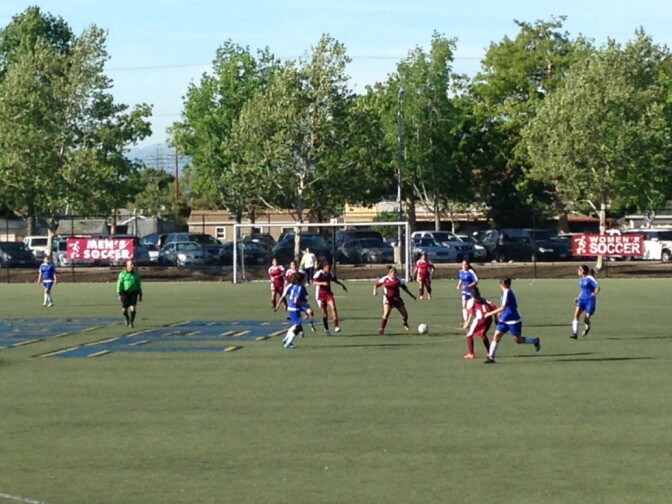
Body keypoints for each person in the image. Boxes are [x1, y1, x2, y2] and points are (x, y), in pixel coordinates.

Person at [483, 277, 540, 364]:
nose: (500, 286)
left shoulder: (507, 292)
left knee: (518, 340)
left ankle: (534, 340)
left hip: (513, 320)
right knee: (496, 336)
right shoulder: (504, 293)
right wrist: (500, 314)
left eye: (501, 284)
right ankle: (491, 357)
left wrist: (489, 314)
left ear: (504, 284)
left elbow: (502, 307)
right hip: (504, 320)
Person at [275, 272, 315, 348]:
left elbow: (285, 296)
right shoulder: (299, 287)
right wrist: (304, 305)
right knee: (298, 327)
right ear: (301, 280)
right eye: (304, 279)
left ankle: (285, 339)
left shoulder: (290, 285)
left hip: (291, 307)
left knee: (295, 325)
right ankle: (288, 343)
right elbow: (296, 300)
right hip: (295, 308)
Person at [373, 266, 416, 335]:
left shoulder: (398, 280)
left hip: (397, 299)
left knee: (405, 315)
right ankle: (381, 329)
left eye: (395, 274)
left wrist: (412, 295)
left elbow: (404, 288)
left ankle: (404, 322)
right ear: (389, 274)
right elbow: (376, 285)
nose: (394, 275)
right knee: (386, 314)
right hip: (388, 299)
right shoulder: (385, 279)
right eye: (393, 274)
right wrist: (375, 291)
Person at [312, 261, 347, 335]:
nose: (329, 270)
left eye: (330, 268)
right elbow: (314, 283)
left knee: (333, 308)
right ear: (324, 268)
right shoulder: (319, 273)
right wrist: (322, 283)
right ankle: (326, 329)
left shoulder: (330, 274)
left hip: (328, 294)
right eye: (328, 268)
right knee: (325, 314)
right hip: (320, 295)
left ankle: (336, 326)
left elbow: (334, 280)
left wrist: (342, 285)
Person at [461, 286, 495, 359]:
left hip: (480, 319)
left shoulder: (471, 301)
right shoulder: (484, 299)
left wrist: (467, 323)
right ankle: (489, 352)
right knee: (483, 334)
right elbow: (493, 306)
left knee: (469, 335)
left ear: (471, 294)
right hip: (489, 319)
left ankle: (471, 354)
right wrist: (496, 318)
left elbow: (470, 314)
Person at [572, 264, 600, 339]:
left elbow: (597, 286)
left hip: (589, 300)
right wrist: (578, 297)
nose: (578, 271)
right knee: (576, 315)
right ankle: (575, 333)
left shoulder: (589, 278)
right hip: (582, 300)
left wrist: (595, 293)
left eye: (579, 270)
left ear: (583, 271)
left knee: (586, 319)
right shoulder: (580, 280)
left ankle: (588, 327)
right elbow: (582, 290)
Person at [116, 260, 143, 328]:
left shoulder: (136, 274)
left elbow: (138, 284)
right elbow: (119, 284)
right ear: (127, 266)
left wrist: (140, 293)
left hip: (133, 292)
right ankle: (127, 318)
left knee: (133, 307)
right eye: (131, 264)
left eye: (133, 264)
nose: (132, 266)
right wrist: (119, 293)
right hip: (125, 293)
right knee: (124, 310)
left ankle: (131, 322)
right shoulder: (122, 274)